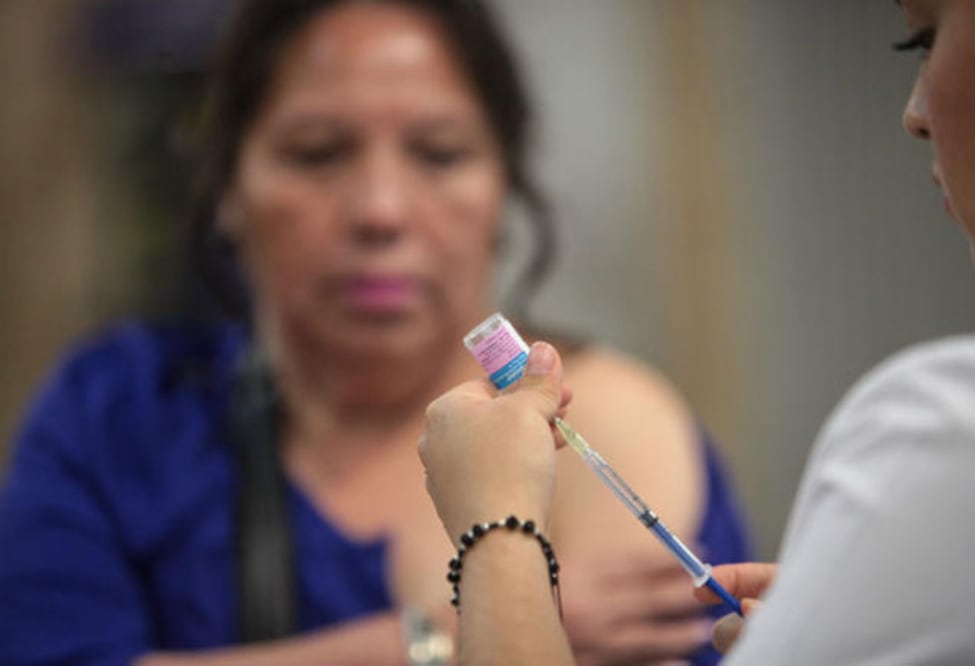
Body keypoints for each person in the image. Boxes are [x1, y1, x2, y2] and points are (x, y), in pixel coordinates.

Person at [0, 1, 750, 665]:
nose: (380, 211)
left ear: (505, 187)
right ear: (226, 186)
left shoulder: (608, 423)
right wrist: (441, 640)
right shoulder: (119, 414)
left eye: (439, 153)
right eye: (318, 152)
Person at [419, 0, 975, 663]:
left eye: (922, 43)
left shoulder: (954, 428)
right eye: (328, 154)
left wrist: (496, 529)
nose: (912, 115)